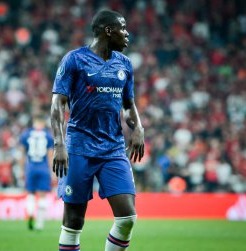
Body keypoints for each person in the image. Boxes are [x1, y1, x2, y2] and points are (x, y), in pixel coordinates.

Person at [50, 9, 144, 251]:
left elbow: (128, 105)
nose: (127, 34)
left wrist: (138, 129)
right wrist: (60, 145)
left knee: (127, 218)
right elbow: (58, 104)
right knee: (73, 221)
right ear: (108, 31)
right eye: (123, 29)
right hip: (79, 147)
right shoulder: (74, 60)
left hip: (112, 148)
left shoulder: (124, 64)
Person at [19, 115, 54, 230]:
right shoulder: (48, 135)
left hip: (31, 167)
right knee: (42, 196)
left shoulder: (26, 134)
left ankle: (30, 215)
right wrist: (52, 172)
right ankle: (39, 224)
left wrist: (21, 170)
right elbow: (50, 155)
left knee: (31, 194)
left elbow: (22, 154)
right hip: (43, 167)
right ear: (43, 123)